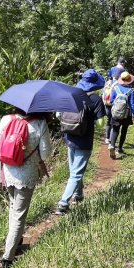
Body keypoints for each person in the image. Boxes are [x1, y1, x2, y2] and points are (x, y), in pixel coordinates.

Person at [0, 109, 51, 268]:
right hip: (26, 176)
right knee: (19, 215)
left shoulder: (6, 119)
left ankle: (16, 243)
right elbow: (46, 154)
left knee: (13, 207)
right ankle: (8, 258)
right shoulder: (40, 123)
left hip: (7, 173)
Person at [55, 69, 106, 215]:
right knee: (76, 174)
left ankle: (78, 195)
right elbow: (101, 124)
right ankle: (63, 203)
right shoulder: (95, 99)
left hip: (70, 137)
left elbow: (58, 114)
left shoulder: (70, 94)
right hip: (85, 140)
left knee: (74, 170)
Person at [108, 71, 134, 159]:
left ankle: (112, 145)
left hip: (116, 113)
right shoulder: (130, 91)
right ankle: (119, 149)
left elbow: (111, 100)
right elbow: (132, 104)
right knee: (124, 130)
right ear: (129, 80)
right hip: (126, 115)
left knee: (115, 130)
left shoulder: (116, 88)